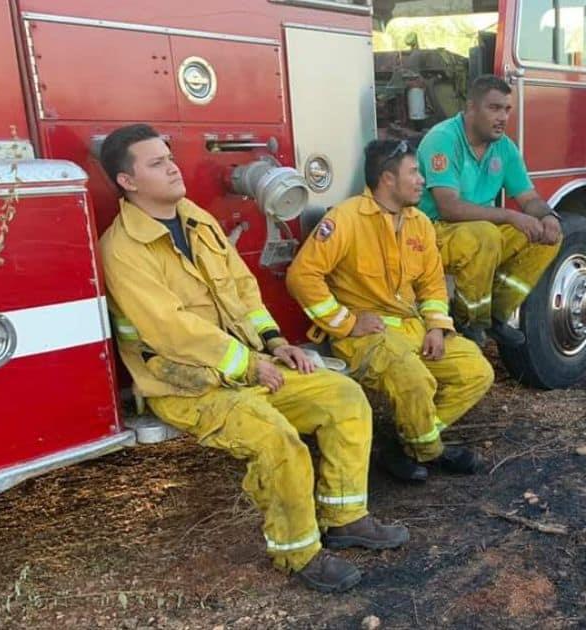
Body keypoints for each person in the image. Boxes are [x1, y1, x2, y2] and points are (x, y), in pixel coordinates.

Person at [97, 124, 407, 594]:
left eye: (169, 156)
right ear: (128, 182)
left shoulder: (194, 218)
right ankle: (299, 552)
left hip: (247, 365)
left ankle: (345, 517)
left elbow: (241, 286)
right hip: (187, 385)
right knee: (276, 440)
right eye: (156, 163)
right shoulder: (121, 249)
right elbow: (171, 329)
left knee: (344, 397)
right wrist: (247, 364)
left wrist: (274, 341)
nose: (173, 166)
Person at [287, 139, 494, 483]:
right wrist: (347, 323)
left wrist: (436, 327)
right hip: (367, 338)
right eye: (413, 172)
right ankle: (432, 451)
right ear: (387, 179)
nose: (422, 180)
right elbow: (301, 276)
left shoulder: (420, 224)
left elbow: (431, 283)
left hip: (413, 330)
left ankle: (405, 443)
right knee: (414, 378)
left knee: (477, 372)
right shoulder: (347, 218)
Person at [415, 74, 562, 347]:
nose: (503, 117)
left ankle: (495, 316)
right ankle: (469, 320)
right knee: (487, 235)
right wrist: (509, 215)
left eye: (507, 109)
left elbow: (528, 197)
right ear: (470, 108)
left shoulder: (505, 148)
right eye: (494, 108)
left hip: (477, 232)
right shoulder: (443, 139)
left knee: (546, 237)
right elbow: (448, 207)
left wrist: (548, 217)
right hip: (430, 232)